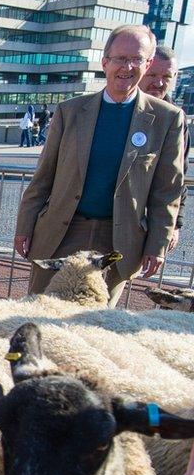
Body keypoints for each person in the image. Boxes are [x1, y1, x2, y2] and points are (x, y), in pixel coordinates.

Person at [14, 25, 186, 306]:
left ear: (148, 63)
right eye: (120, 58)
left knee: (94, 324)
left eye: (137, 59)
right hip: (61, 232)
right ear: (105, 62)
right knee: (37, 314)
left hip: (118, 240)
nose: (127, 67)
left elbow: (167, 191)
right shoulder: (70, 111)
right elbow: (43, 177)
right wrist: (25, 226)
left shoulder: (167, 119)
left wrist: (157, 245)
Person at [139, 45, 188, 252]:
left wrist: (175, 224)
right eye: (153, 74)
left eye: (166, 76)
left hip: (142, 219)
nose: (158, 83)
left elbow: (177, 178)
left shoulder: (175, 118)